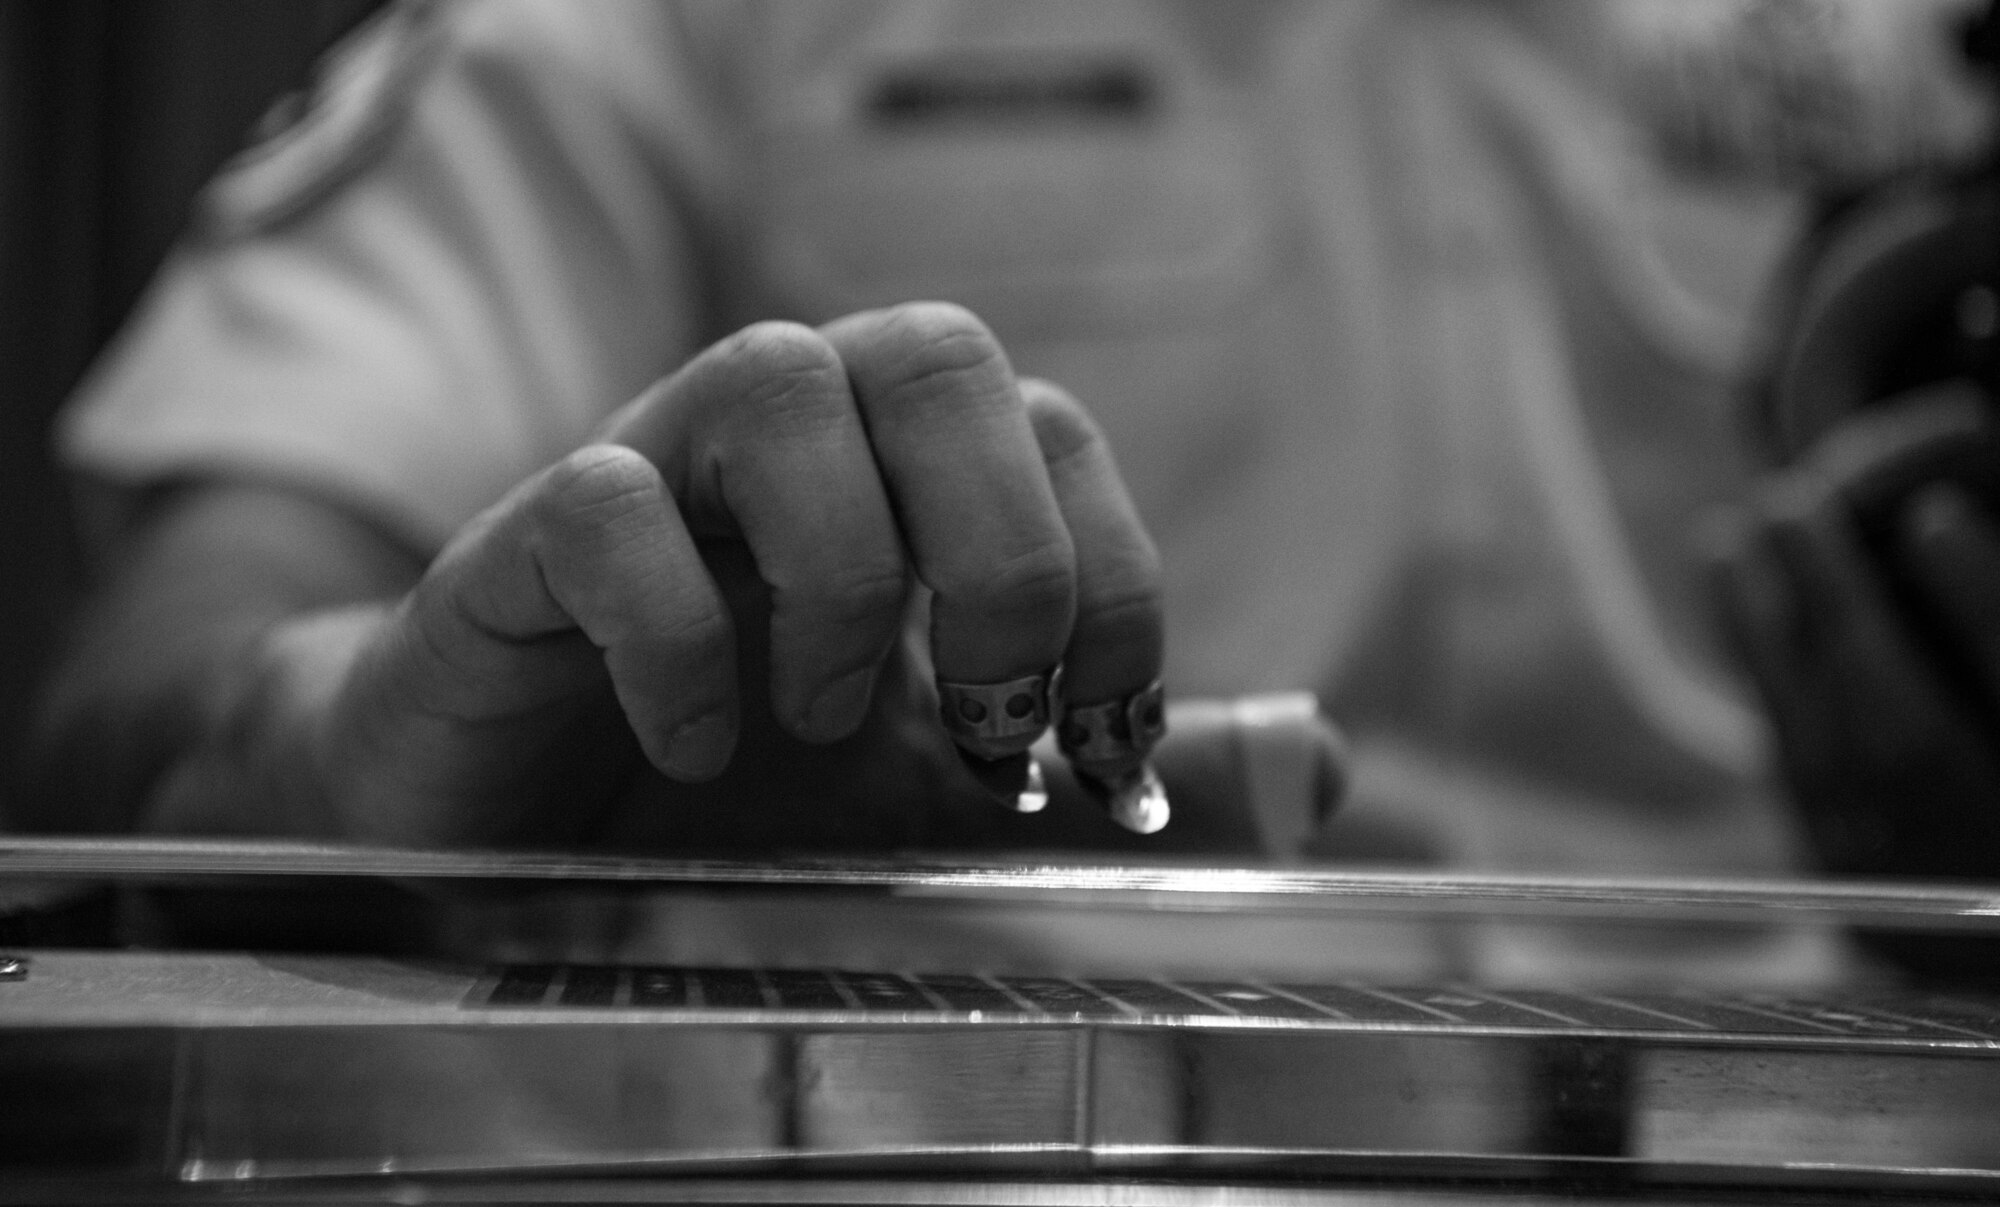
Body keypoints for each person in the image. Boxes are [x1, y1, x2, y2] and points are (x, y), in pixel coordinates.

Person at [14, 0, 1999, 891]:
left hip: (1835, 1195)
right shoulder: (664, 23)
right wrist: (351, 742)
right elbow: (138, 711)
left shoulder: (1912, 45)